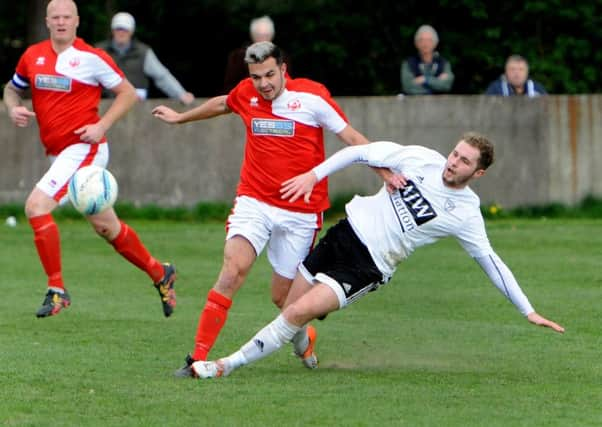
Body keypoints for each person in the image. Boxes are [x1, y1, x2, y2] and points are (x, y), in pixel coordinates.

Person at [188, 132, 565, 379]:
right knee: (283, 301)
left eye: (465, 162)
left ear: (478, 173)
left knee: (296, 312)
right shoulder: (420, 159)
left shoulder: (466, 211)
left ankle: (224, 365)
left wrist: (527, 310)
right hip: (344, 234)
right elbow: (357, 152)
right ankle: (305, 347)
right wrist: (316, 175)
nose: (454, 162)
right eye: (455, 154)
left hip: (368, 266)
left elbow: (491, 262)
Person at [152, 41, 396, 376]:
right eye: (256, 77)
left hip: (300, 213)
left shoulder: (312, 97)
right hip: (254, 200)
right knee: (232, 270)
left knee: (284, 300)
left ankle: (304, 339)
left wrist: (385, 171)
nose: (263, 83)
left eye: (269, 75)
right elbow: (224, 103)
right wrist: (181, 118)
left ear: (283, 69)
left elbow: (352, 138)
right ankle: (196, 359)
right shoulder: (246, 93)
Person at [3, 0, 177, 318]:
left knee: (35, 207)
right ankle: (159, 273)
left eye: (66, 17)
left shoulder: (92, 58)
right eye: (55, 17)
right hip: (59, 153)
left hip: (85, 147)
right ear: (47, 21)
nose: (60, 22)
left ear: (77, 21)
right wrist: (12, 106)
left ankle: (57, 290)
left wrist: (102, 125)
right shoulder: (33, 56)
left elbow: (126, 93)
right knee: (106, 227)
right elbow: (12, 89)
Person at [96, 12, 194, 105]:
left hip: (136, 107)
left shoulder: (143, 52)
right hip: (105, 106)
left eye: (125, 29)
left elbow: (162, 76)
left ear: (131, 31)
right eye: (118, 29)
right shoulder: (99, 51)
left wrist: (180, 94)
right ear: (113, 30)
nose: (121, 33)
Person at [223, 15, 281, 93]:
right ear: (253, 36)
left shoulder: (281, 56)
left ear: (272, 35)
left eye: (266, 35)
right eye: (259, 35)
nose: (263, 39)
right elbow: (230, 86)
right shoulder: (237, 57)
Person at [401, 25, 454, 95]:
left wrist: (425, 79)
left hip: (440, 104)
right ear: (416, 43)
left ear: (435, 43)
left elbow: (447, 86)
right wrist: (436, 84)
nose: (425, 44)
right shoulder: (408, 63)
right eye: (421, 40)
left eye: (429, 40)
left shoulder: (443, 63)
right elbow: (408, 87)